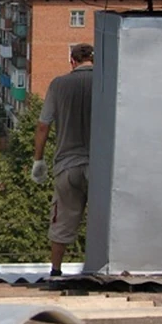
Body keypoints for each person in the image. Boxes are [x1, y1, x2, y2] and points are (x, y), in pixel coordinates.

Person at [31, 43, 94, 277]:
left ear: (72, 61)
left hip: (67, 167)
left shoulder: (59, 85)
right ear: (93, 60)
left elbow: (42, 125)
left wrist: (38, 160)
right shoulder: (107, 82)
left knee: (62, 220)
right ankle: (102, 269)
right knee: (104, 220)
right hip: (101, 167)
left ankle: (55, 271)